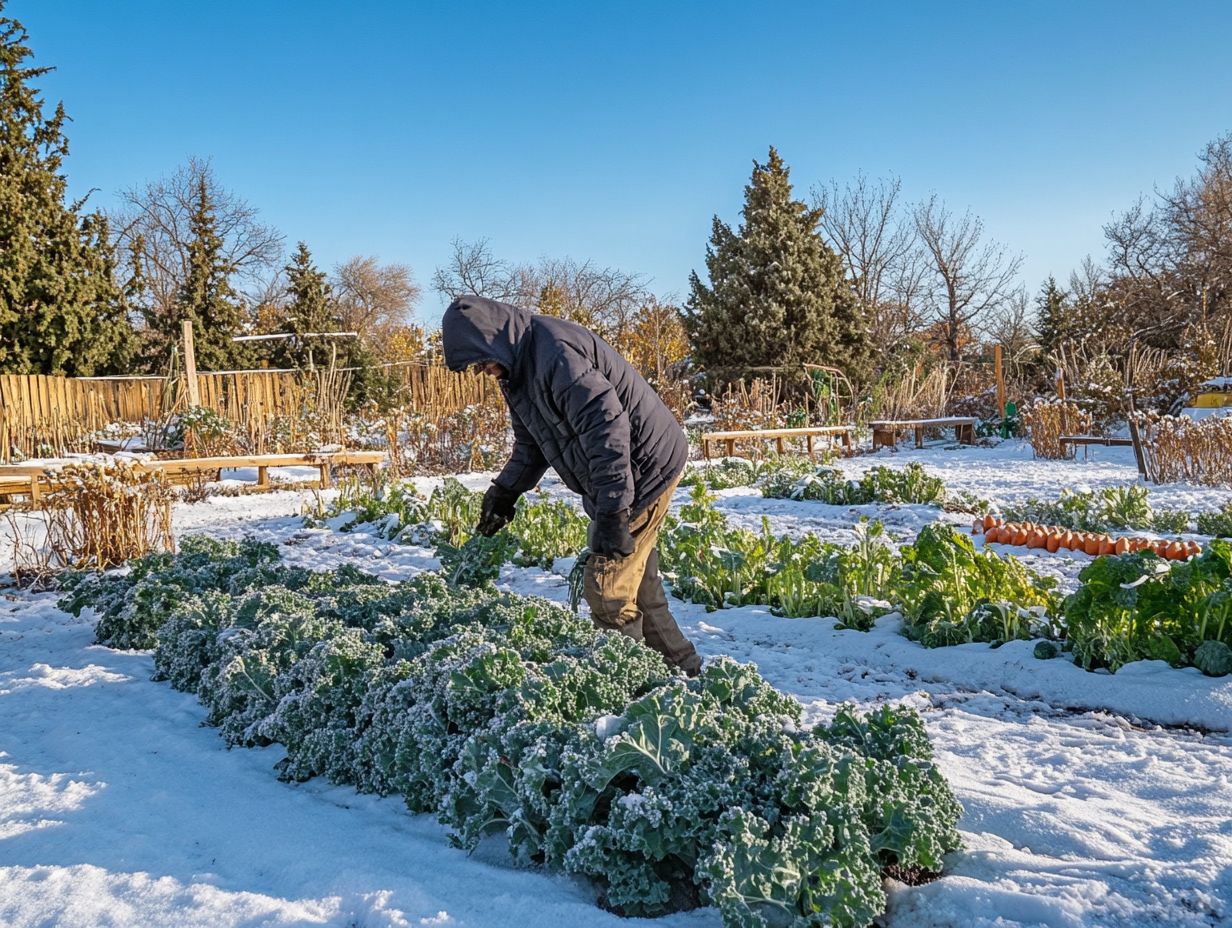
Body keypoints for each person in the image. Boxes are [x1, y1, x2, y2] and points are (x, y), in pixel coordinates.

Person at [441, 295, 701, 676]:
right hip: (622, 473)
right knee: (639, 589)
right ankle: (686, 673)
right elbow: (531, 442)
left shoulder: (556, 354)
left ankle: (630, 687)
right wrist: (505, 491)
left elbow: (608, 432)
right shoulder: (519, 369)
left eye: (482, 362)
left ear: (494, 338)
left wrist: (614, 512)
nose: (485, 372)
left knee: (608, 592)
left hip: (643, 469)